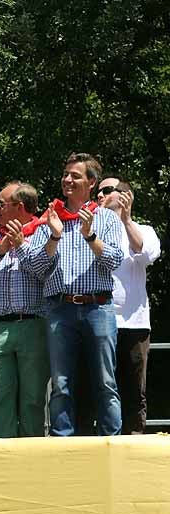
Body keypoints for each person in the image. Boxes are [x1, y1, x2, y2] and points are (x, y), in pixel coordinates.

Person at [29, 153, 124, 436]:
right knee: (61, 383)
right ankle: (62, 444)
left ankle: (111, 442)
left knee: (106, 381)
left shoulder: (106, 218)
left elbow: (115, 260)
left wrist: (89, 235)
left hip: (99, 307)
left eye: (76, 176)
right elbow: (36, 267)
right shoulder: (51, 218)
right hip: (60, 309)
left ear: (91, 183)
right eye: (66, 174)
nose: (67, 180)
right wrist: (54, 236)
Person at [0, 182, 50, 437]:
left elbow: (46, 274)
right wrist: (0, 250)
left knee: (33, 400)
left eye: (0, 203)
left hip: (33, 325)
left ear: (19, 206)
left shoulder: (44, 233)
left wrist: (20, 245)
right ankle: (4, 457)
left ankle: (33, 460)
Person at [97, 177, 159, 434]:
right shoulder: (92, 231)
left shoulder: (144, 229)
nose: (99, 195)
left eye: (106, 190)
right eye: (97, 191)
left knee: (134, 392)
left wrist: (126, 219)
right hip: (98, 320)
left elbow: (145, 254)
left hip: (133, 323)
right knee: (101, 389)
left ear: (125, 195)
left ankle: (134, 447)